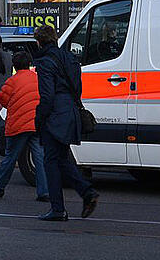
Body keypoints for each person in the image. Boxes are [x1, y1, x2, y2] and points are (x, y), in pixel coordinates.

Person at [33, 25, 99, 221]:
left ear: (39, 42)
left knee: (51, 162)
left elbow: (47, 96)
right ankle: (86, 193)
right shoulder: (69, 58)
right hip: (70, 111)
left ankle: (58, 209)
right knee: (61, 158)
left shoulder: (45, 62)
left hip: (55, 115)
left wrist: (40, 118)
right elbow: (77, 88)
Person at [0, 51, 49, 201]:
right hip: (37, 123)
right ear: (29, 64)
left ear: (14, 66)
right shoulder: (38, 78)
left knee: (11, 157)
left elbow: (3, 100)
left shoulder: (11, 81)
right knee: (39, 157)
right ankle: (44, 191)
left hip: (18, 124)